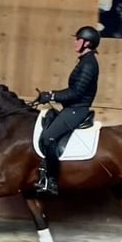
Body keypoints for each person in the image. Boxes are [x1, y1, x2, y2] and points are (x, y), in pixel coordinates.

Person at [35, 25, 101, 195]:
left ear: (86, 43)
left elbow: (76, 93)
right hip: (71, 108)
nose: (75, 42)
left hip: (77, 110)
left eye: (78, 39)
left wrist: (51, 95)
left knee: (49, 137)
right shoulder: (84, 62)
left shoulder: (89, 64)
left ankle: (52, 182)